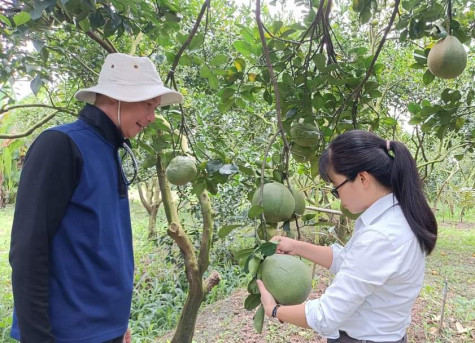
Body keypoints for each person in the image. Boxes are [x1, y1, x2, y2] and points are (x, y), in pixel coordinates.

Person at [9, 53, 183, 343]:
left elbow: (103, 244)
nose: (153, 117)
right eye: (149, 105)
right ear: (118, 97)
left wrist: (118, 322)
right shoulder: (62, 145)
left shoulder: (109, 149)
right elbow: (28, 248)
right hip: (67, 334)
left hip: (107, 331)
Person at [257, 130, 438, 343]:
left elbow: (326, 316)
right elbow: (350, 261)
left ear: (362, 178)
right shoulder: (392, 218)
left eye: (337, 188)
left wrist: (274, 310)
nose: (338, 197)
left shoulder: (380, 236)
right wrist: (296, 246)